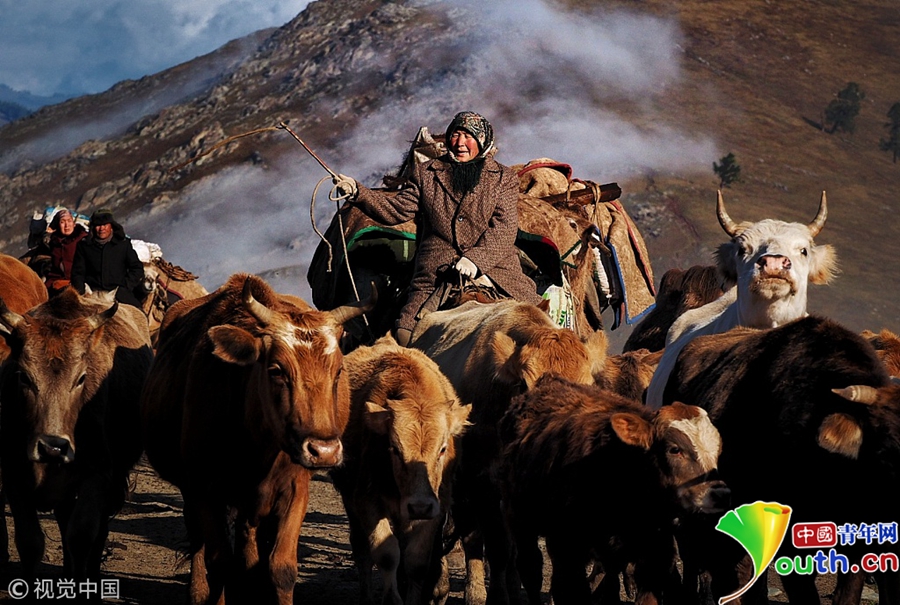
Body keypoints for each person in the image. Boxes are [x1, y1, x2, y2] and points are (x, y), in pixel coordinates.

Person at [334, 111, 542, 346]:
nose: (460, 143)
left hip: (495, 270)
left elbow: (504, 228)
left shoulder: (503, 178)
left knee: (537, 329)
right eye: (456, 134)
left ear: (483, 141)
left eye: (469, 136)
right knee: (406, 335)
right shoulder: (427, 173)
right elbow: (398, 209)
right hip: (435, 274)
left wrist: (475, 261)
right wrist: (358, 193)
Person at [71, 208, 145, 308]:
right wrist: (82, 290)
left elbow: (136, 268)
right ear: (93, 227)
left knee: (138, 313)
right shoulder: (84, 246)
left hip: (118, 292)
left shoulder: (123, 244)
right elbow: (77, 272)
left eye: (105, 224)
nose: (102, 228)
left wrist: (125, 285)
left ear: (111, 226)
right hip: (91, 293)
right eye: (98, 225)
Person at [44, 208, 88, 296]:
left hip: (79, 283)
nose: (67, 225)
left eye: (69, 221)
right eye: (62, 222)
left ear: (74, 223)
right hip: (56, 281)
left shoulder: (83, 240)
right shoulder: (54, 242)